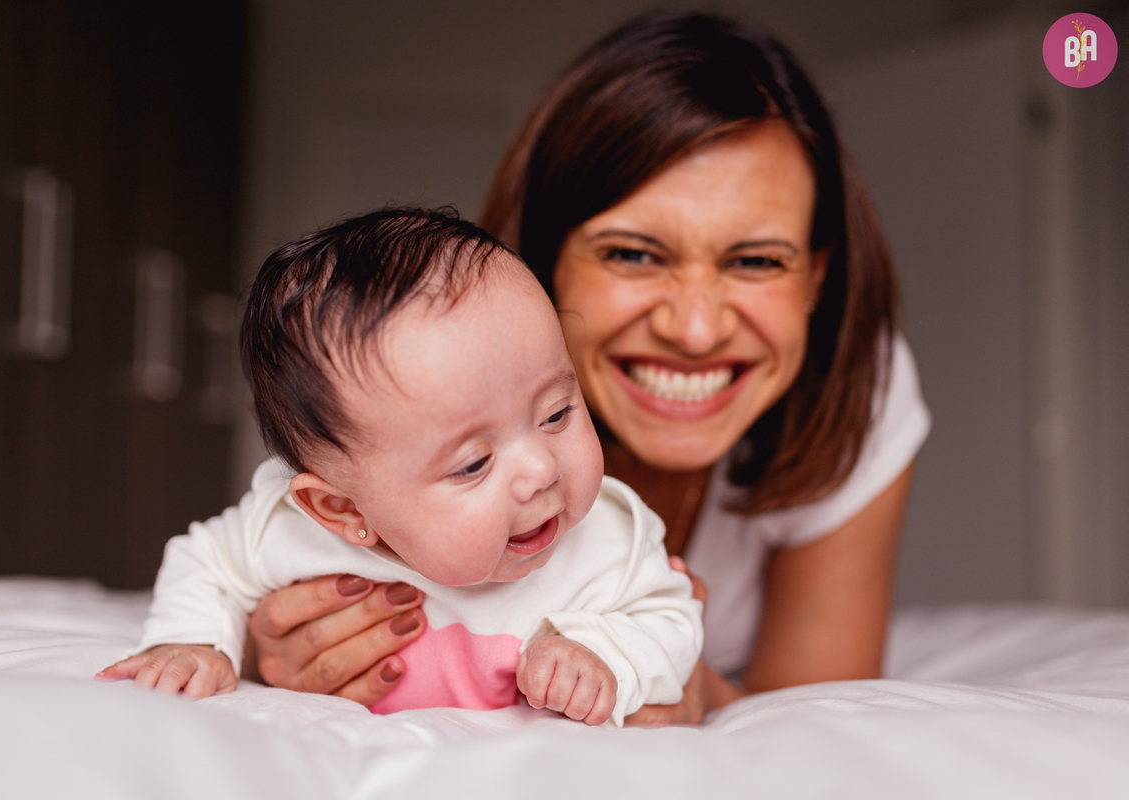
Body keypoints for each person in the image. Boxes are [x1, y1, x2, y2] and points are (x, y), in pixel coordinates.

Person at [242, 12, 930, 724]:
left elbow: (814, 713)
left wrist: (687, 685)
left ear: (815, 276)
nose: (696, 330)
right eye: (632, 254)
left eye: (756, 261)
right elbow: (245, 570)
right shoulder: (423, 383)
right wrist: (269, 646)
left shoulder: (856, 386)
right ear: (543, 264)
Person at [97, 208, 703, 728]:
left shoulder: (607, 541)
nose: (541, 471)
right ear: (341, 509)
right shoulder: (289, 535)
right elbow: (206, 561)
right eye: (473, 463)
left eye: (556, 413)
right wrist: (194, 641)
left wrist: (605, 655)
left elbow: (671, 621)